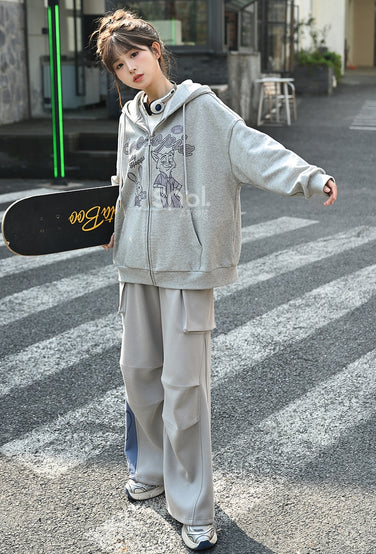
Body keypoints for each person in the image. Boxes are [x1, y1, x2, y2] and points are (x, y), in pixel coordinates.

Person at [93, 9, 337, 551]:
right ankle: (151, 470)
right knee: (138, 377)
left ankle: (193, 507)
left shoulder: (203, 109)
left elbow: (254, 149)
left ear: (155, 50)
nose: (130, 68)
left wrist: (308, 177)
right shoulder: (129, 119)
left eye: (135, 54)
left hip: (187, 270)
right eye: (119, 65)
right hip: (135, 269)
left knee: (185, 391)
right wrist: (112, 223)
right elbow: (123, 183)